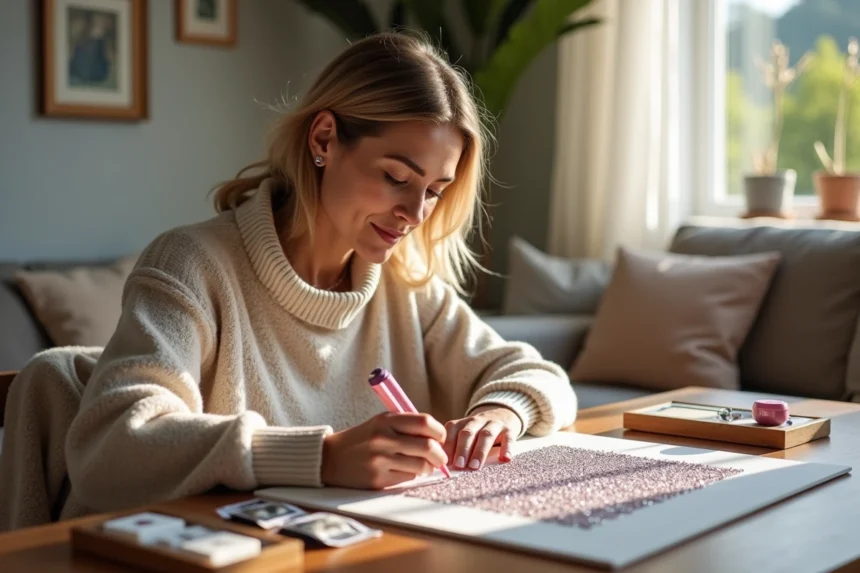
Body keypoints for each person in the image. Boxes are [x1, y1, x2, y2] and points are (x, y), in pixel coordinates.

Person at [64, 31, 578, 514]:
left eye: (435, 191)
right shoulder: (191, 265)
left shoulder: (407, 283)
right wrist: (323, 457)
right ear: (326, 139)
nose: (417, 213)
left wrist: (501, 413)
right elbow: (111, 447)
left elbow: (539, 377)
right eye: (396, 177)